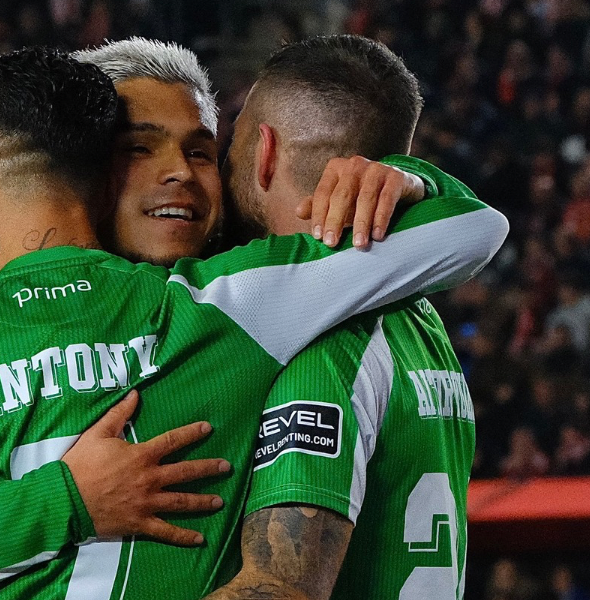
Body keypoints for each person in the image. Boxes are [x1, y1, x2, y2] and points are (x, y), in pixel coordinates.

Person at [0, 46, 506, 600]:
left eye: (203, 152)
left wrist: (396, 178)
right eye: (141, 148)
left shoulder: (248, 309)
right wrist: (60, 498)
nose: (180, 171)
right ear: (83, 167)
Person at [205, 35, 479, 600]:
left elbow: (282, 589)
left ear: (264, 152)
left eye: (229, 141)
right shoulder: (420, 320)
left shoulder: (321, 336)